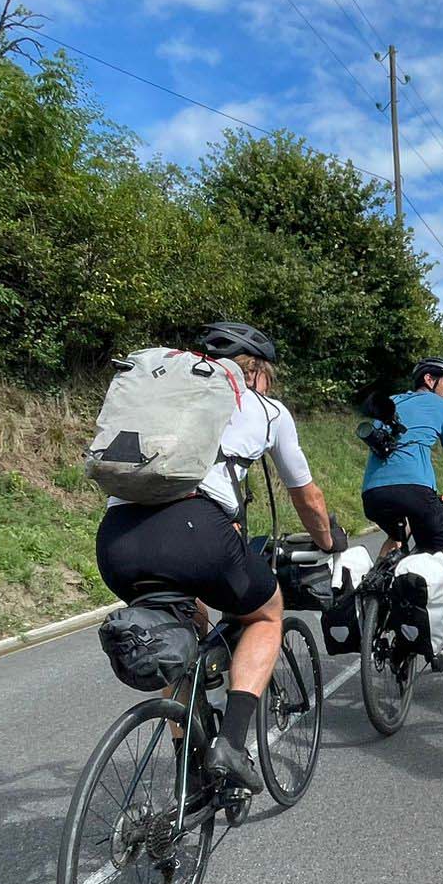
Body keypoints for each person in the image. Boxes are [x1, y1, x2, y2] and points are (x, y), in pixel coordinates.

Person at [94, 321, 341, 795]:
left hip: (116, 540)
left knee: (178, 631)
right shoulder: (267, 409)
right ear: (257, 371)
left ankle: (188, 769)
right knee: (266, 614)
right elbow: (307, 497)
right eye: (269, 377)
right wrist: (328, 542)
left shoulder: (165, 395)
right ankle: (229, 744)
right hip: (195, 530)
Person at [361, 357, 443, 556]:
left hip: (372, 493)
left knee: (398, 536)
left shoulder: (392, 401)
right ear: (429, 380)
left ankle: (377, 574)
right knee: (441, 551)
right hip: (416, 490)